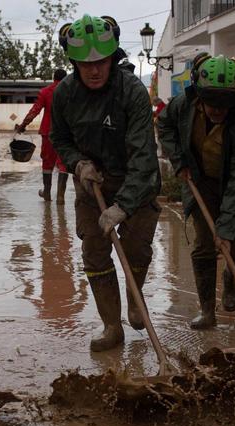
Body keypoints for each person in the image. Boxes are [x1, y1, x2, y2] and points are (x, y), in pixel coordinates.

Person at [50, 14, 161, 353]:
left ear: (113, 58)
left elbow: (144, 156)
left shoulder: (132, 92)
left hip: (135, 181)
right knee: (95, 253)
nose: (94, 70)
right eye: (86, 64)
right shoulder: (65, 94)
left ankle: (134, 295)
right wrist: (77, 163)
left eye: (101, 62)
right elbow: (60, 137)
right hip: (92, 183)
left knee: (137, 248)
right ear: (74, 62)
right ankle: (112, 326)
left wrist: (123, 206)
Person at [156, 54, 235, 330]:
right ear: (199, 93)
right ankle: (207, 310)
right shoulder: (183, 105)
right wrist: (179, 160)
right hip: (201, 182)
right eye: (211, 101)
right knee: (205, 247)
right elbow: (164, 125)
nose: (217, 109)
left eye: (224, 103)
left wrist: (227, 228)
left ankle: (231, 276)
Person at [14, 68, 69, 202]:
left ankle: (47, 193)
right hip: (67, 134)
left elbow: (35, 111)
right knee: (63, 164)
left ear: (53, 78)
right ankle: (60, 196)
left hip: (48, 132)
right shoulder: (71, 92)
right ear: (65, 78)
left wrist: (23, 125)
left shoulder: (45, 92)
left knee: (47, 163)